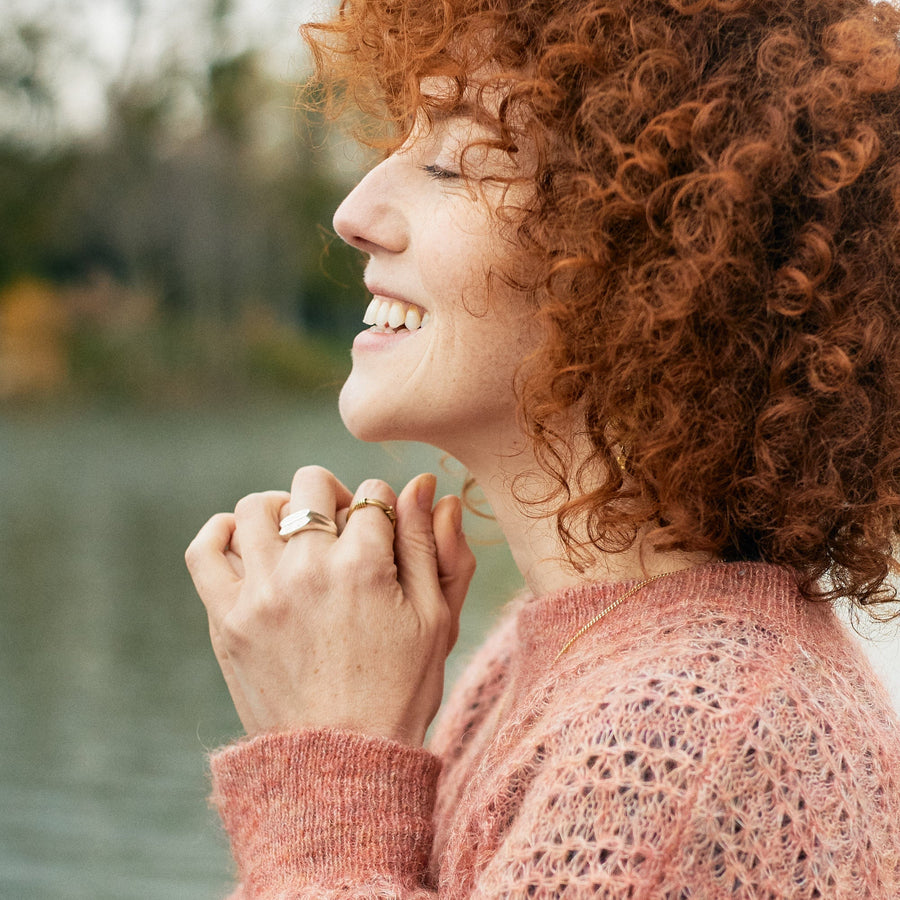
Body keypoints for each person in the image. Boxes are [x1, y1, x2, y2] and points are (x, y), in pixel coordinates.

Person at [185, 0, 900, 894]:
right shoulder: (571, 655)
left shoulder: (695, 747)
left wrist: (329, 761)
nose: (354, 211)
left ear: (658, 256)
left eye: (451, 162)